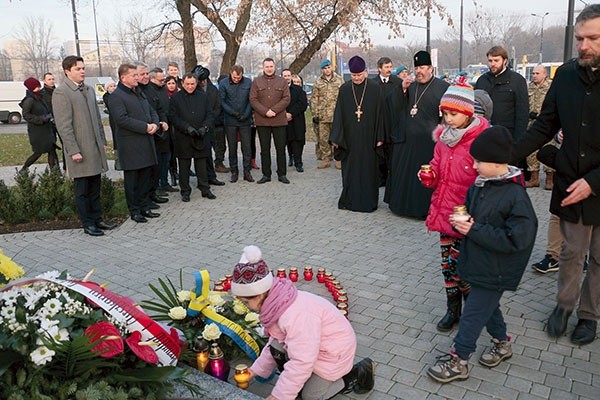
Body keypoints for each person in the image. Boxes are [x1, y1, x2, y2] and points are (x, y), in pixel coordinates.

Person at [511, 4, 600, 345]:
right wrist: (508, 155)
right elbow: (545, 125)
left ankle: (589, 316)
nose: (583, 46)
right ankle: (563, 306)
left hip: (597, 186)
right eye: (579, 38)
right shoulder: (564, 75)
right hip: (570, 182)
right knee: (572, 252)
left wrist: (594, 182)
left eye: (592, 38)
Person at [427, 126, 537, 383]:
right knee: (489, 308)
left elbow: (518, 238)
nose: (473, 165)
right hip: (479, 261)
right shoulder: (481, 185)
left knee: (473, 314)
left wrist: (474, 228)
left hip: (498, 268)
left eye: (478, 161)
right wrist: (463, 220)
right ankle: (502, 343)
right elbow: (475, 217)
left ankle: (459, 360)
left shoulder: (515, 195)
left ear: (498, 163)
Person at [230, 245, 375, 400]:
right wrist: (255, 371)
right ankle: (298, 382)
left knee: (310, 396)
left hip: (333, 353)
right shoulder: (276, 303)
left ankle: (356, 374)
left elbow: (301, 361)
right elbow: (274, 342)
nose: (246, 307)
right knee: (276, 348)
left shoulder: (295, 315)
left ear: (259, 295)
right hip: (314, 346)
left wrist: (279, 396)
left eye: (246, 302)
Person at [421, 77, 490, 332]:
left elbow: (487, 179)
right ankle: (453, 309)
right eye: (445, 114)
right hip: (445, 214)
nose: (448, 119)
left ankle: (474, 311)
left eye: (453, 114)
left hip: (468, 218)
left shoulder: (481, 140)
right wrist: (430, 176)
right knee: (447, 267)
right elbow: (437, 167)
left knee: (463, 267)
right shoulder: (443, 139)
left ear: (467, 113)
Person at [52, 55, 115, 236]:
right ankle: (88, 223)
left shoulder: (87, 89)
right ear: (67, 71)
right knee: (82, 189)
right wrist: (73, 150)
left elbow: (97, 119)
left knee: (95, 186)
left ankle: (98, 219)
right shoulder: (62, 92)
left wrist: (102, 142)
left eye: (83, 68)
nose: (82, 71)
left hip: (94, 147)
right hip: (79, 150)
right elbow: (64, 126)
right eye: (78, 69)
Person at [385, 50, 449, 219]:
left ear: (431, 68)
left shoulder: (443, 88)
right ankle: (402, 207)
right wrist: (401, 89)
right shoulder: (410, 86)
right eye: (416, 68)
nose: (419, 71)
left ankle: (425, 210)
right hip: (407, 142)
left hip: (429, 144)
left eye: (422, 67)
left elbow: (448, 117)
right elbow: (394, 107)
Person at [330, 55, 385, 213]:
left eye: (359, 75)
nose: (357, 78)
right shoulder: (345, 89)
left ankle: (368, 202)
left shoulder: (375, 88)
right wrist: (336, 137)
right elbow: (338, 114)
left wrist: (380, 136)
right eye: (354, 75)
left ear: (366, 72)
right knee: (351, 170)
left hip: (369, 137)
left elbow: (381, 114)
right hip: (350, 138)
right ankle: (350, 200)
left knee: (368, 170)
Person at [109, 63, 160, 223]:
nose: (137, 78)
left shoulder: (138, 92)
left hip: (146, 142)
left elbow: (151, 111)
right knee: (133, 181)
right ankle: (135, 210)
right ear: (123, 78)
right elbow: (122, 119)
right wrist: (145, 127)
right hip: (130, 145)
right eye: (134, 75)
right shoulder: (117, 96)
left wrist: (155, 124)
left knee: (145, 177)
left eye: (137, 75)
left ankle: (145, 206)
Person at [474, 45, 529, 177]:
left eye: (496, 60)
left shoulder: (517, 80)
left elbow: (522, 112)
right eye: (490, 60)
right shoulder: (482, 80)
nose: (492, 64)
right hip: (485, 134)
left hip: (508, 136)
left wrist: (518, 142)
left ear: (505, 61)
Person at [168, 73, 215, 202]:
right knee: (184, 166)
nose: (190, 86)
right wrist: (186, 127)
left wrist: (204, 127)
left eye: (192, 84)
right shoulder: (175, 98)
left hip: (201, 135)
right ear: (182, 83)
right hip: (183, 136)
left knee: (201, 164)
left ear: (196, 83)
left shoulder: (203, 96)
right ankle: (185, 191)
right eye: (187, 84)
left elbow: (210, 115)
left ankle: (205, 188)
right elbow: (173, 117)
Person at [250, 58, 291, 184]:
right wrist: (265, 111)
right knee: (264, 149)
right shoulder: (257, 82)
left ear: (275, 67)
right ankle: (266, 174)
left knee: (280, 149)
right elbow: (253, 99)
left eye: (271, 66)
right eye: (267, 66)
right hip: (263, 121)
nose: (269, 68)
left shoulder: (282, 81)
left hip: (279, 120)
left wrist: (274, 110)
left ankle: (282, 174)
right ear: (263, 68)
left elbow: (286, 98)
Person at [220, 64, 254, 183]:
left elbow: (251, 100)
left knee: (246, 147)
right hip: (230, 120)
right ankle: (234, 171)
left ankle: (247, 171)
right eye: (234, 77)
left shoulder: (248, 82)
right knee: (232, 146)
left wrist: (246, 113)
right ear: (231, 73)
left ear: (242, 75)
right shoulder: (223, 83)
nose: (236, 79)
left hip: (245, 119)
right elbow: (222, 101)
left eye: (238, 78)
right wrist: (233, 113)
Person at [371, 57, 402, 187]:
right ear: (379, 69)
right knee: (379, 151)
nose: (390, 70)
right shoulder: (373, 84)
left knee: (392, 151)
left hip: (393, 123)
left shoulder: (397, 82)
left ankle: (393, 177)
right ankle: (380, 177)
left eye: (390, 67)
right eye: (386, 67)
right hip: (378, 123)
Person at [193, 65, 226, 187]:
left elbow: (217, 106)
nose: (201, 83)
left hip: (212, 124)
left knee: (212, 151)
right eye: (199, 80)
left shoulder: (213, 90)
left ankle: (212, 176)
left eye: (203, 80)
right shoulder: (194, 89)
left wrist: (210, 120)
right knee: (201, 155)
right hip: (199, 127)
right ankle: (202, 179)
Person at [145, 67, 176, 194]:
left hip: (167, 128)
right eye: (161, 80)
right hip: (157, 131)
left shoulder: (162, 89)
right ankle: (156, 186)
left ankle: (165, 182)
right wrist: (159, 122)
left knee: (166, 158)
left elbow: (164, 108)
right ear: (152, 79)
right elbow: (153, 110)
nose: (163, 82)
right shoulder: (148, 91)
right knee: (158, 160)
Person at [19, 77, 58, 173]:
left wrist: (49, 116)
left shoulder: (39, 97)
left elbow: (45, 109)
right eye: (36, 87)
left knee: (51, 150)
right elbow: (26, 115)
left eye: (39, 86)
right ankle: (24, 169)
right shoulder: (29, 100)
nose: (39, 89)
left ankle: (54, 173)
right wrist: (40, 119)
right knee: (38, 153)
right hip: (37, 132)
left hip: (46, 129)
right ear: (31, 88)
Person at [525, 65, 554, 189]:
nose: (534, 76)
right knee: (531, 152)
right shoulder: (529, 87)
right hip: (532, 124)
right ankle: (534, 178)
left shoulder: (551, 87)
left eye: (537, 73)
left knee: (549, 149)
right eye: (533, 73)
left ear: (544, 74)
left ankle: (550, 179)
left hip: (548, 124)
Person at [311, 59, 344, 169]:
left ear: (332, 67)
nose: (327, 70)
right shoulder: (318, 82)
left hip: (336, 115)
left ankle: (338, 159)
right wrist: (315, 114)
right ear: (322, 70)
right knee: (323, 138)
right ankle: (326, 158)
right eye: (325, 68)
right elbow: (314, 98)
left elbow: (344, 97)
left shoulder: (339, 80)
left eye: (328, 67)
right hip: (323, 115)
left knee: (337, 138)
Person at [283, 70, 308, 173]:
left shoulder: (299, 90)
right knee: (288, 140)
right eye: (285, 76)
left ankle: (298, 162)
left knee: (298, 141)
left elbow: (302, 104)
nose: (287, 77)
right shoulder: (279, 89)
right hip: (283, 119)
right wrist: (284, 113)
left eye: (288, 75)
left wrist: (291, 113)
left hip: (297, 119)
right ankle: (290, 157)